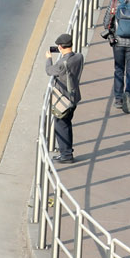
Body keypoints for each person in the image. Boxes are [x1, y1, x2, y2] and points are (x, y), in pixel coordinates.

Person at [46, 32, 82, 164]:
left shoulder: (62, 63)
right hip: (74, 97)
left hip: (63, 99)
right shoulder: (79, 57)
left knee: (61, 126)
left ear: (60, 47)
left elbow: (49, 70)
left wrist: (49, 58)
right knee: (67, 124)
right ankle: (67, 151)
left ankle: (66, 154)